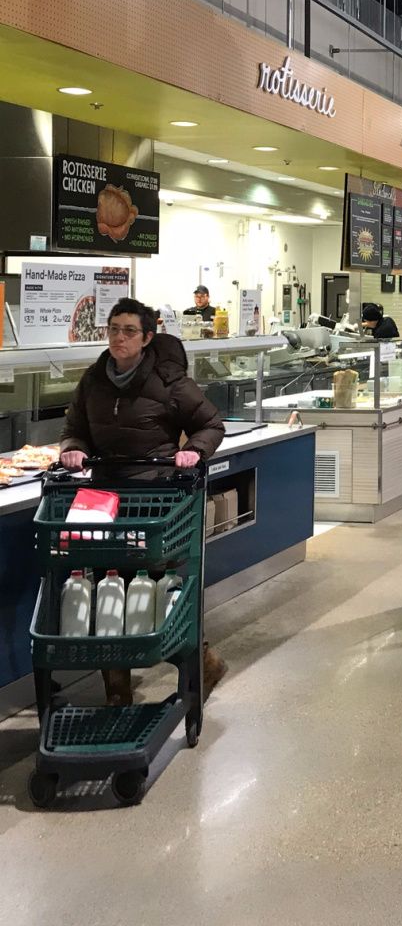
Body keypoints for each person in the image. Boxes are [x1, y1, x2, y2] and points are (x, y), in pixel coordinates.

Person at [59, 297, 227, 706]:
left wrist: (194, 451)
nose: (119, 338)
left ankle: (203, 661)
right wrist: (74, 447)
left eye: (129, 331)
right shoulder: (94, 379)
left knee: (154, 582)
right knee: (104, 584)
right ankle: (116, 690)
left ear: (147, 337)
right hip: (103, 497)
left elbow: (210, 424)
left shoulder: (169, 381)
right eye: (114, 329)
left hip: (155, 498)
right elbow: (74, 426)